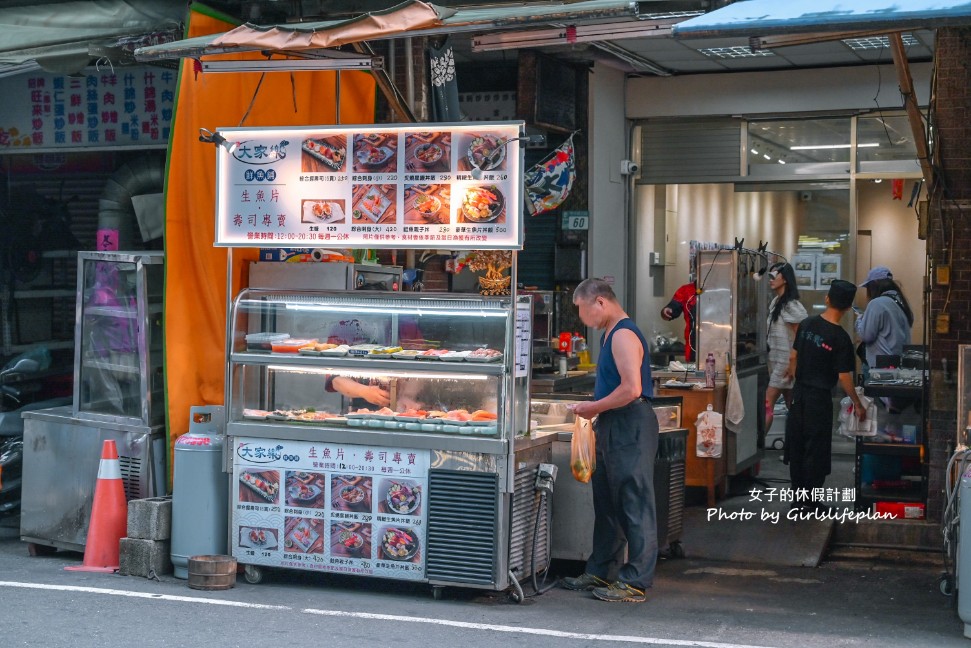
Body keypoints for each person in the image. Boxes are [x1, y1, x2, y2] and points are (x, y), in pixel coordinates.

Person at [561, 278, 658, 603]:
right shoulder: (608, 334)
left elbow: (631, 389)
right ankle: (601, 569)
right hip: (613, 422)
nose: (582, 318)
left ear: (600, 302)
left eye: (582, 310)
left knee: (633, 500)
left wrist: (593, 408)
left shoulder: (623, 334)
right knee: (607, 501)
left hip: (630, 422)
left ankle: (635, 581)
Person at [785, 279, 866, 510]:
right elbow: (844, 377)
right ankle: (811, 501)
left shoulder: (807, 324)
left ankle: (798, 500)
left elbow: (793, 357)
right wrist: (857, 404)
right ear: (849, 308)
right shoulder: (840, 339)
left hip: (799, 394)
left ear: (827, 299)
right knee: (816, 448)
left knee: (797, 445)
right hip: (819, 399)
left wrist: (794, 376)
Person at [764, 262, 808, 431]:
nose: (770, 280)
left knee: (767, 404)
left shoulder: (791, 304)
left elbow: (801, 335)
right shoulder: (777, 301)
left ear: (785, 279)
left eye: (774, 276)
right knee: (794, 407)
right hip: (776, 361)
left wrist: (793, 363)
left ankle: (758, 449)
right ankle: (800, 447)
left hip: (785, 364)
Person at [854, 266, 913, 377]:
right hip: (898, 364)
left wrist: (860, 320)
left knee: (876, 393)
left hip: (880, 366)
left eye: (868, 287)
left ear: (874, 284)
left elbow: (866, 335)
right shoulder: (901, 302)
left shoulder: (877, 303)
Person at [660, 282, 697, 362]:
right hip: (693, 348)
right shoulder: (685, 291)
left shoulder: (721, 288)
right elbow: (671, 308)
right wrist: (666, 311)